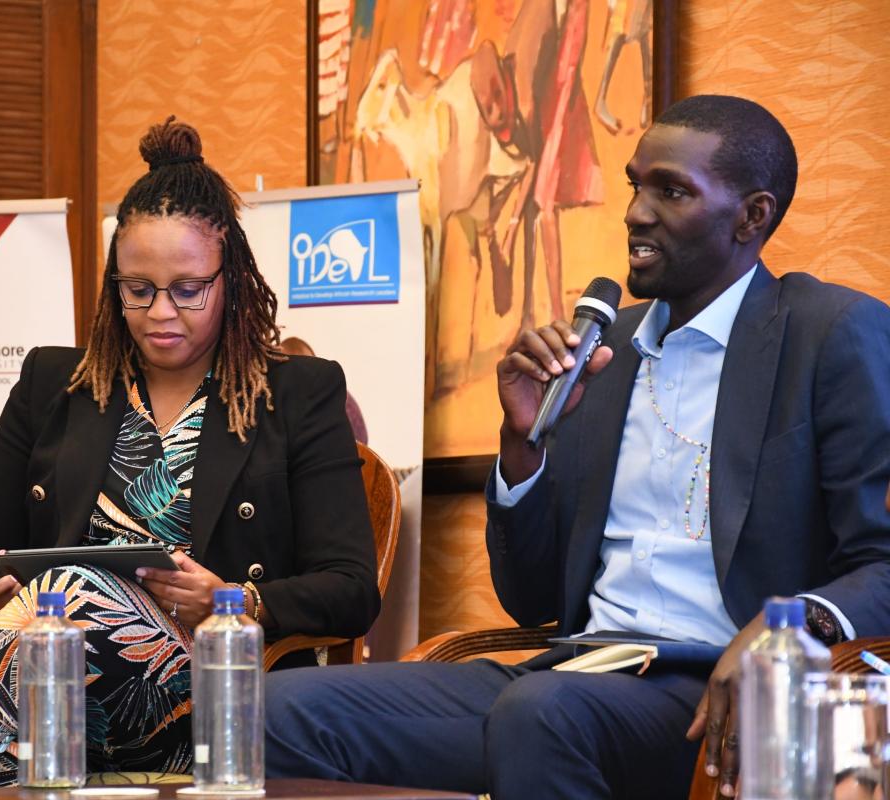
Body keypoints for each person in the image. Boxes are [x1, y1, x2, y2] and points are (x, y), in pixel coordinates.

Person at [264, 94, 890, 799]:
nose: (636, 212)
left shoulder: (829, 334)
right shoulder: (603, 352)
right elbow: (531, 597)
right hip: (577, 672)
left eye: (672, 191)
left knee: (543, 715)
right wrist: (521, 444)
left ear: (752, 216)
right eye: (635, 185)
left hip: (720, 694)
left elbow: (882, 563)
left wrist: (788, 628)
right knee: (275, 710)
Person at [0, 118, 379, 796]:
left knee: (74, 594)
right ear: (113, 283)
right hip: (47, 691)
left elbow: (352, 590)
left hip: (209, 696)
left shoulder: (296, 394)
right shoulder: (53, 388)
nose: (161, 312)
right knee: (46, 634)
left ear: (231, 279)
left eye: (189, 289)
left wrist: (232, 600)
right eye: (138, 289)